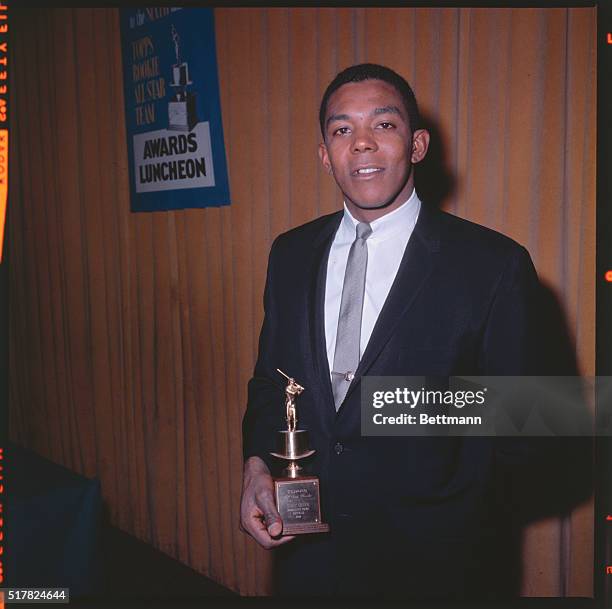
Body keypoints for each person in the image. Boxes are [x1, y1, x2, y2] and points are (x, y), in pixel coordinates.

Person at [240, 63, 540, 599]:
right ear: (324, 154)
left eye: (383, 125)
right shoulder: (289, 254)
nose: (361, 145)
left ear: (418, 144)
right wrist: (256, 468)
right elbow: (269, 383)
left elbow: (530, 418)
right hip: (306, 559)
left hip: (436, 566)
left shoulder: (494, 264)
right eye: (341, 130)